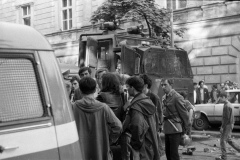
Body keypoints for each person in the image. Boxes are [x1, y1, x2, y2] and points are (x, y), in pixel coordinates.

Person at [73, 77, 122, 160]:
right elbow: (118, 126)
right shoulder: (104, 108)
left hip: (80, 150)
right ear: (95, 89)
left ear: (80, 90)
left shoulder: (73, 106)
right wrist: (109, 140)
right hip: (100, 150)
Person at [123, 76, 160, 160]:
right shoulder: (147, 100)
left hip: (142, 146)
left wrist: (135, 147)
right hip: (150, 142)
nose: (127, 90)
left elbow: (137, 126)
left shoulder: (136, 105)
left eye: (128, 87)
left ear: (132, 87)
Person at [161, 78, 189, 160]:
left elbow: (184, 115)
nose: (163, 87)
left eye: (165, 85)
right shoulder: (164, 97)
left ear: (170, 85)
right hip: (167, 128)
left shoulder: (177, 97)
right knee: (168, 153)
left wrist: (185, 129)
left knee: (174, 154)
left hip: (175, 128)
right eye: (162, 85)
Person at [139, 74, 164, 157]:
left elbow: (159, 113)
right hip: (142, 128)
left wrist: (158, 126)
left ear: (145, 85)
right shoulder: (138, 96)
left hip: (151, 128)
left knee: (152, 150)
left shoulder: (154, 97)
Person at [216, 91, 240, 160]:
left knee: (222, 140)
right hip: (231, 123)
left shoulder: (226, 105)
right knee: (229, 140)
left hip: (228, 124)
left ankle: (224, 156)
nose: (220, 99)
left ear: (224, 97)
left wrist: (222, 127)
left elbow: (226, 118)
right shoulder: (229, 104)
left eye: (221, 97)